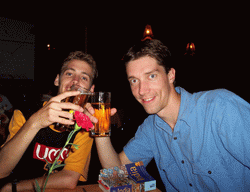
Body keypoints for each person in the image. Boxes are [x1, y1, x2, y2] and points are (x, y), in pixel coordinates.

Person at [89, 39, 250, 191]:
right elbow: (117, 173)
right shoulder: (150, 128)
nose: (141, 90)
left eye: (151, 76)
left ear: (171, 75)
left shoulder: (220, 107)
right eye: (134, 81)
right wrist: (100, 128)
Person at [0, 51, 98, 191]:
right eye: (69, 73)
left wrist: (14, 187)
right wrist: (35, 122)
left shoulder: (84, 125)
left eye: (84, 77)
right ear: (57, 80)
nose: (75, 81)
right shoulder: (25, 113)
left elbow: (69, 179)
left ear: (91, 90)